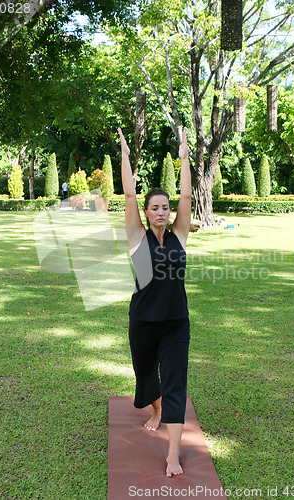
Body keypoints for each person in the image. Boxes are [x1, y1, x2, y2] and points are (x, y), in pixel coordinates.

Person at [118, 127, 192, 478]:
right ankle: (156, 409)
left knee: (176, 382)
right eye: (155, 208)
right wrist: (126, 155)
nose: (162, 211)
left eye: (166, 207)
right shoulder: (136, 238)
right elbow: (129, 195)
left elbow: (187, 197)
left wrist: (184, 157)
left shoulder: (179, 236)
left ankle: (173, 453)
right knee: (146, 376)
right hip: (143, 322)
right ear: (146, 213)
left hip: (176, 322)